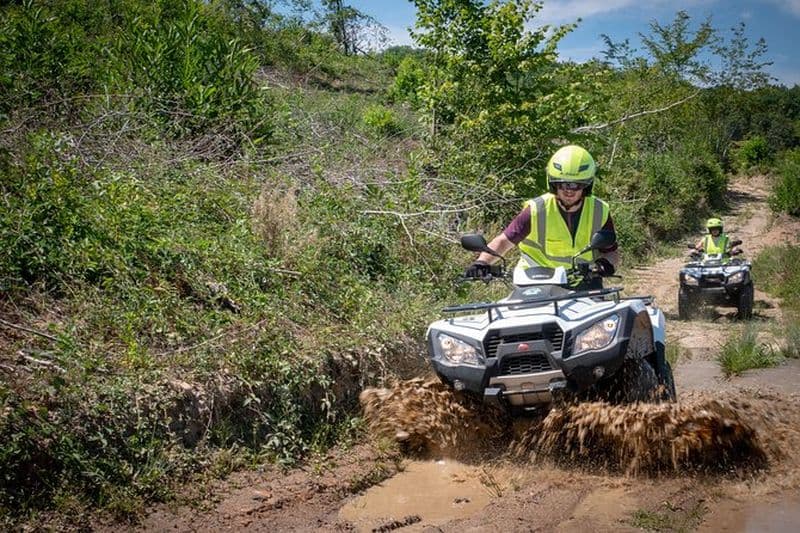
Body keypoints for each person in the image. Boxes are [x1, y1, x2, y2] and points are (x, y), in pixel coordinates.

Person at [464, 144, 619, 289]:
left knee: (606, 317)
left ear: (587, 185)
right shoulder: (537, 209)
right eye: (562, 184)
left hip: (583, 285)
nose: (569, 191)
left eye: (576, 185)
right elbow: (504, 241)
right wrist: (482, 262)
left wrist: (605, 265)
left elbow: (610, 250)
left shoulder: (599, 210)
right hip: (535, 285)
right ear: (552, 183)